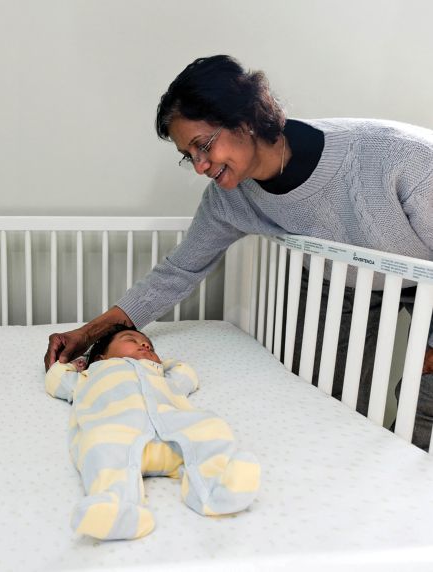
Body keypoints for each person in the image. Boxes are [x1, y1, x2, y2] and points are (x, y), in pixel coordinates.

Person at [45, 54, 433, 450]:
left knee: (424, 402)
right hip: (344, 282)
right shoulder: (230, 199)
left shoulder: (401, 159)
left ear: (246, 120)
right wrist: (88, 332)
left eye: (203, 146)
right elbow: (178, 271)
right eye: (189, 156)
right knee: (321, 399)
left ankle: (413, 503)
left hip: (427, 272)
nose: (200, 166)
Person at [45, 323, 261, 540]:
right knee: (101, 444)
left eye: (149, 345)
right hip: (119, 430)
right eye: (131, 339)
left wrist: (158, 363)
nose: (145, 345)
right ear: (101, 357)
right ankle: (118, 507)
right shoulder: (89, 376)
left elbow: (187, 374)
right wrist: (80, 363)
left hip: (173, 431)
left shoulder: (162, 376)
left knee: (209, 425)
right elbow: (55, 379)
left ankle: (214, 489)